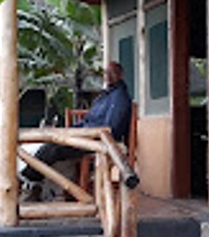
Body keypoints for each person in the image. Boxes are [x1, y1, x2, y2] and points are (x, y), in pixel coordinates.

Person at [21, 61, 132, 201]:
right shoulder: (104, 96)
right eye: (106, 72)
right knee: (50, 144)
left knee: (53, 149)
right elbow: (88, 120)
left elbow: (111, 128)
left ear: (121, 75)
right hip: (87, 135)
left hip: (100, 141)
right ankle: (33, 183)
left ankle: (28, 181)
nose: (108, 76)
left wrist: (84, 133)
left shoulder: (119, 97)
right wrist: (71, 131)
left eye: (113, 72)